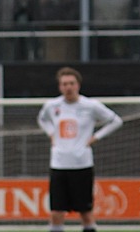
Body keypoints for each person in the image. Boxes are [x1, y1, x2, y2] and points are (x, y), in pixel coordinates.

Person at [37, 67, 123, 232]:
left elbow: (116, 121)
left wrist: (95, 137)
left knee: (85, 213)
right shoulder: (52, 106)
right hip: (59, 165)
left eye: (71, 83)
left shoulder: (90, 105)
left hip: (82, 165)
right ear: (60, 87)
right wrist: (51, 134)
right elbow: (42, 119)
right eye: (64, 84)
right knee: (56, 213)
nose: (68, 87)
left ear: (78, 85)